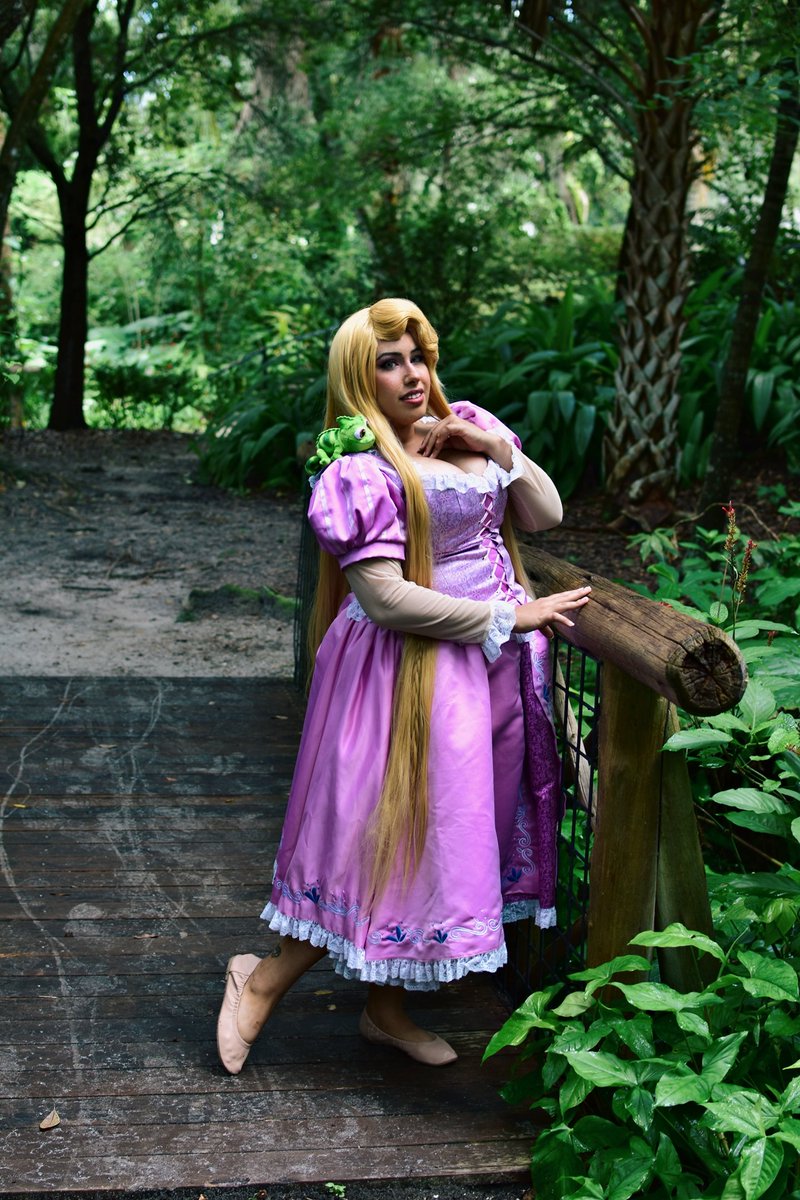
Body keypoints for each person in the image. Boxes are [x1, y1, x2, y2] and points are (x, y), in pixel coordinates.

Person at [216, 298, 590, 1072]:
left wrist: (493, 445)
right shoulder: (359, 467)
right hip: (404, 667)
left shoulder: (468, 426)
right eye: (390, 362)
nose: (412, 374)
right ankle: (261, 978)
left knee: (437, 839)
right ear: (361, 377)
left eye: (417, 356)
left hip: (488, 672)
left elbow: (546, 514)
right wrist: (511, 616)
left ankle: (386, 1010)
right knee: (376, 834)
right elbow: (384, 598)